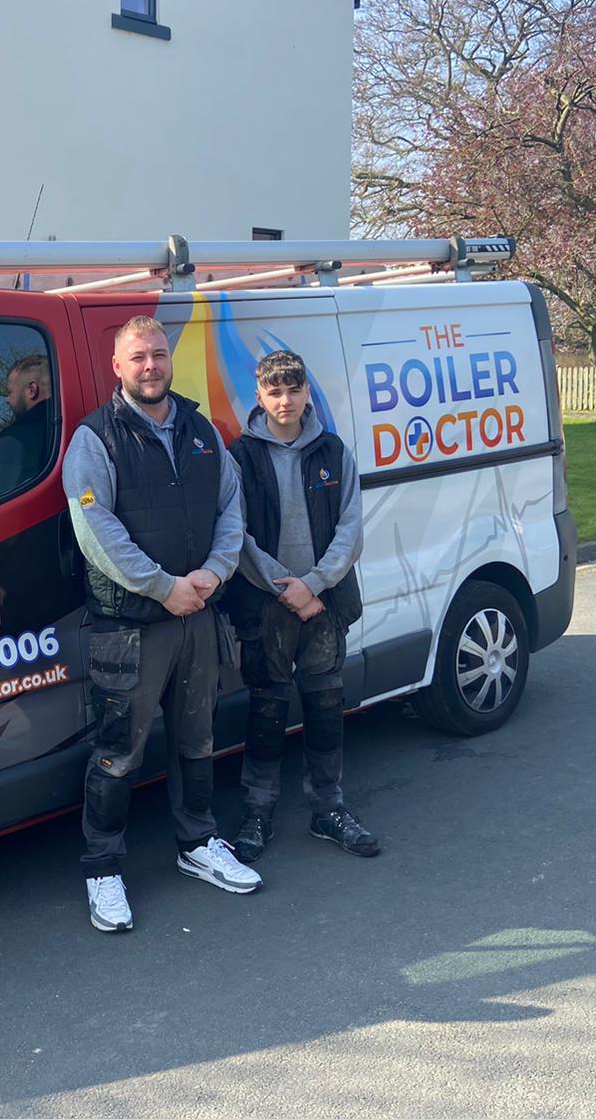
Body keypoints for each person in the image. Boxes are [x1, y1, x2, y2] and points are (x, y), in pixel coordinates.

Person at [62, 314, 261, 933]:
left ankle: (198, 843)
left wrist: (216, 572)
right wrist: (164, 587)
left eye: (158, 355)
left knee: (196, 738)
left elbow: (233, 507)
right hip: (130, 626)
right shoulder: (95, 439)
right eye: (138, 358)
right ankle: (102, 869)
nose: (151, 366)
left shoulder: (200, 431)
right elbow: (96, 531)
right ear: (117, 368)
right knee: (119, 751)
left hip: (198, 614)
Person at [223, 349, 378, 863]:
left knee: (325, 704)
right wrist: (282, 586)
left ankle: (328, 809)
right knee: (267, 708)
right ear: (259, 396)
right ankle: (258, 812)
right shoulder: (239, 456)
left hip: (323, 604)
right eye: (274, 391)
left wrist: (313, 585)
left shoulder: (334, 452)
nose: (285, 400)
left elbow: (351, 531)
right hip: (265, 604)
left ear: (307, 392)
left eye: (293, 389)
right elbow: (234, 533)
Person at [0, 353, 54, 502]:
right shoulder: (78, 428)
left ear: (32, 390)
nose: (7, 400)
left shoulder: (14, 440)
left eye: (10, 392)